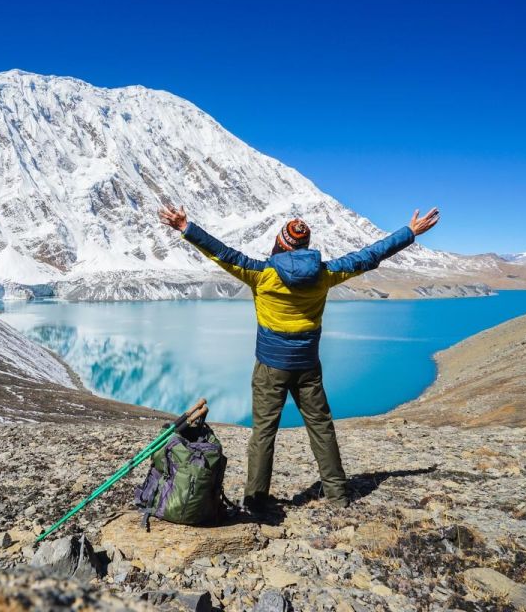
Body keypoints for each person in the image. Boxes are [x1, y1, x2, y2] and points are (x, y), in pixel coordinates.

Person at [157, 204, 440, 511]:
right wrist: (409, 232)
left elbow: (222, 253)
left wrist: (186, 227)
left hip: (270, 367)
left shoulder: (261, 275)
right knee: (321, 427)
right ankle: (338, 495)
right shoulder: (325, 274)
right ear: (306, 248)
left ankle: (256, 501)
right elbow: (369, 256)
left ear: (279, 244)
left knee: (264, 433)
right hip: (307, 366)